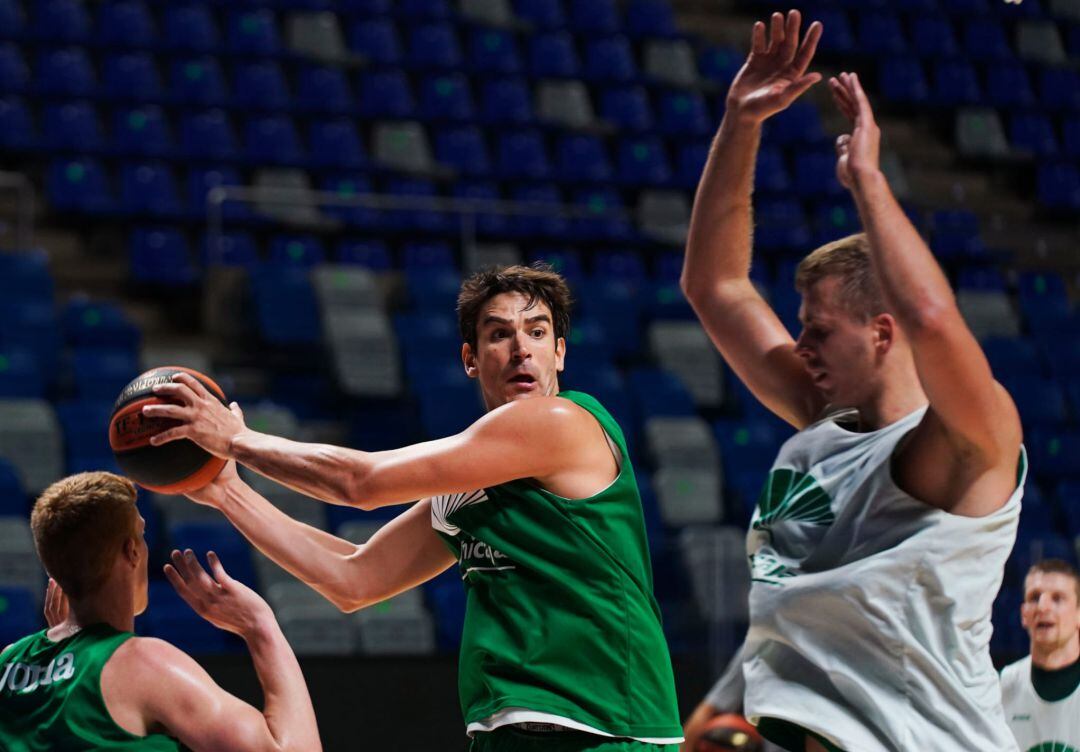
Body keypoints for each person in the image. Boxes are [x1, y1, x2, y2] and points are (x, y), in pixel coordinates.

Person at [142, 264, 684, 750]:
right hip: (511, 727)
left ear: (560, 352)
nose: (522, 348)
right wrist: (228, 493)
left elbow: (361, 482)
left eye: (537, 332)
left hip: (604, 725)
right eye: (500, 334)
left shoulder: (562, 421)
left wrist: (235, 439)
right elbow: (355, 580)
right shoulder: (471, 479)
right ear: (470, 359)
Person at [679, 11, 1024, 751]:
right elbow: (716, 285)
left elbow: (934, 317)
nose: (797, 343)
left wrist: (868, 179)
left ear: (883, 329)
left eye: (819, 328)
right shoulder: (819, 422)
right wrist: (741, 123)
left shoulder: (962, 445)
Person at [0, 471, 321, 751]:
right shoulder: (144, 665)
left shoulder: (8, 662)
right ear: (132, 551)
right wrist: (260, 627)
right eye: (141, 532)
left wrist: (71, 639)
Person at [1000, 559, 1080, 750]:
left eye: (1057, 598)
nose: (1043, 607)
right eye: (1034, 597)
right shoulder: (998, 689)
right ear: (1023, 614)